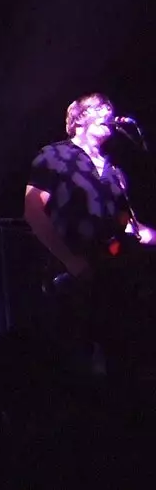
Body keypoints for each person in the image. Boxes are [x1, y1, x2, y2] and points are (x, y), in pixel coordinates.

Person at [23, 93, 156, 373]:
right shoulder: (54, 156)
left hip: (115, 276)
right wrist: (69, 260)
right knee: (77, 363)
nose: (109, 115)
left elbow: (124, 221)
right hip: (72, 277)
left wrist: (143, 232)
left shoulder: (115, 171)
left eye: (110, 110)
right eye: (100, 110)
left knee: (123, 359)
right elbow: (33, 210)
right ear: (80, 119)